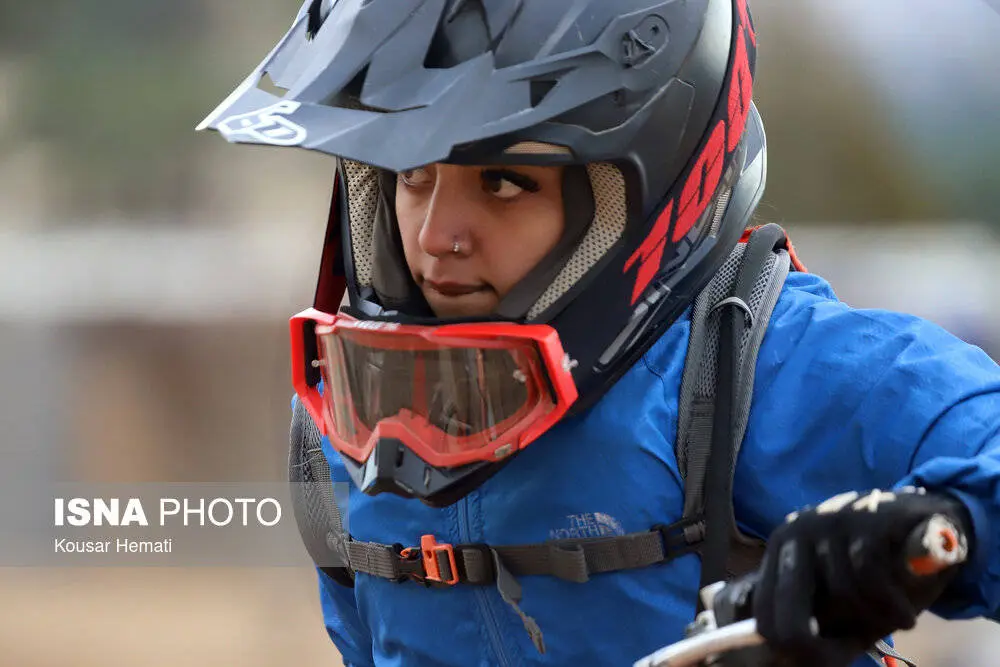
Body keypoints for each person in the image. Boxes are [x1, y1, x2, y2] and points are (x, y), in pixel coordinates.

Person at [197, 0, 1000, 665]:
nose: (438, 235)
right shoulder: (348, 421)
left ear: (634, 196)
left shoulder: (746, 367)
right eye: (411, 175)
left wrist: (935, 528)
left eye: (504, 180)